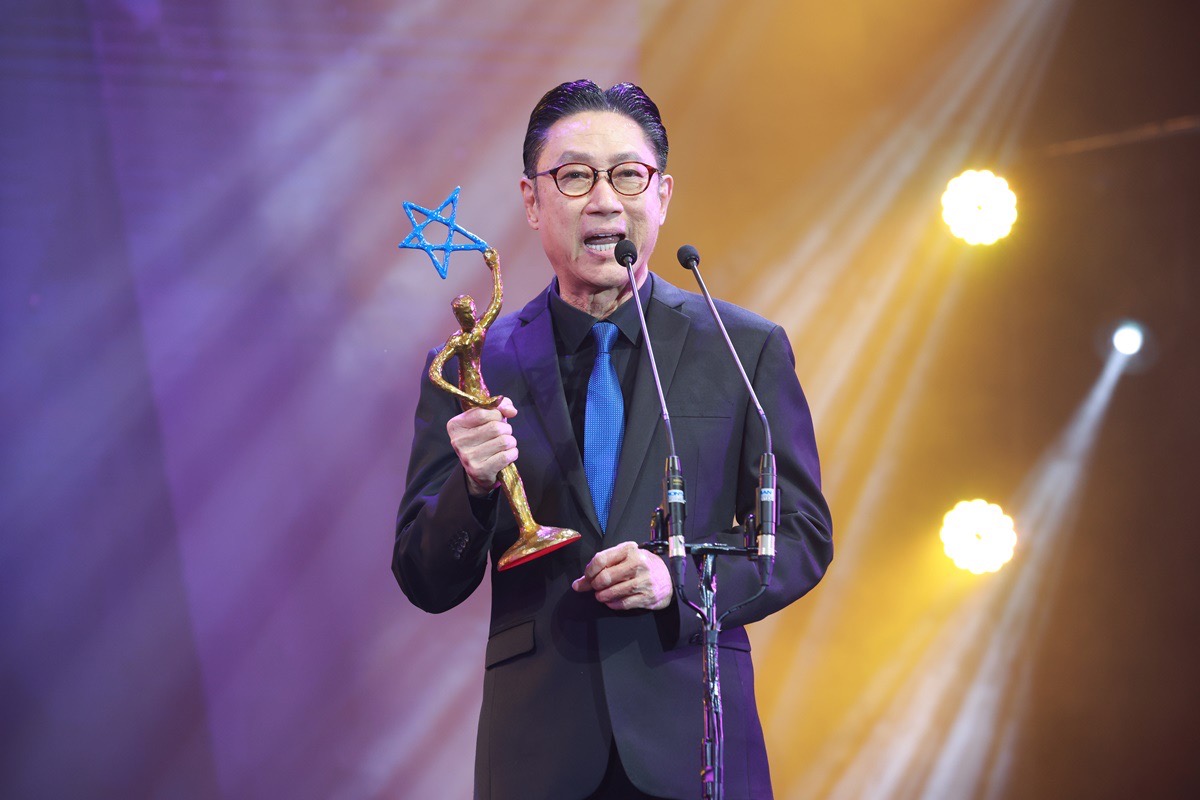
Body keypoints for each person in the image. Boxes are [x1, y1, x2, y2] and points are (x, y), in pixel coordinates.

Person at [393, 79, 833, 800]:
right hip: (536, 755)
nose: (604, 200)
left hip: (695, 743)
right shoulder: (473, 365)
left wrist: (678, 583)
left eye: (628, 175)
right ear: (531, 201)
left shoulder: (741, 347)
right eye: (574, 176)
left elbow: (801, 536)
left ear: (662, 195)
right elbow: (424, 577)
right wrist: (472, 489)